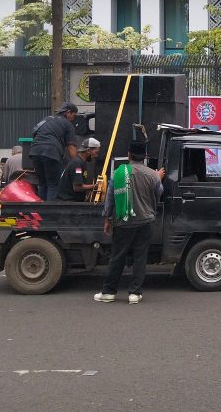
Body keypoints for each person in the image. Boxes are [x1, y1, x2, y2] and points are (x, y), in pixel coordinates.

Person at [94, 141, 165, 304]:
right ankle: (135, 293)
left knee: (117, 257)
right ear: (145, 156)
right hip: (145, 222)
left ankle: (109, 292)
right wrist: (158, 178)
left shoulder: (119, 173)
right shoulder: (152, 175)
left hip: (123, 222)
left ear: (129, 155)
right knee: (140, 257)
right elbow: (159, 193)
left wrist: (107, 219)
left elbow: (110, 199)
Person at [30, 102, 78, 200]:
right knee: (53, 184)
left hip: (34, 151)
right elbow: (71, 147)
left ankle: (40, 212)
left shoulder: (46, 120)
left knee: (42, 183)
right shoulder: (68, 124)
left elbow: (34, 133)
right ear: (68, 113)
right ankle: (50, 212)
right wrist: (77, 164)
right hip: (51, 152)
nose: (74, 119)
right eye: (74, 115)